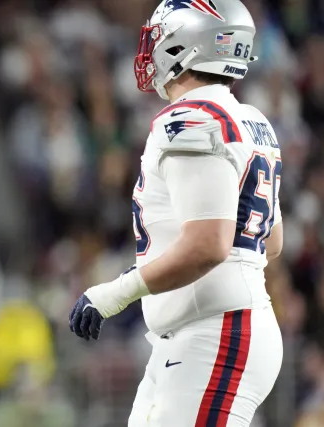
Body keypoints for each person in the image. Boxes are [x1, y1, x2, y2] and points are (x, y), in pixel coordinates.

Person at [68, 0, 284, 425]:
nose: (151, 49)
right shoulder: (249, 118)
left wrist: (117, 293)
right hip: (207, 331)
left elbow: (209, 245)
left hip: (215, 332)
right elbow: (270, 242)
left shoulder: (190, 119)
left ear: (185, 45)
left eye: (160, 37)